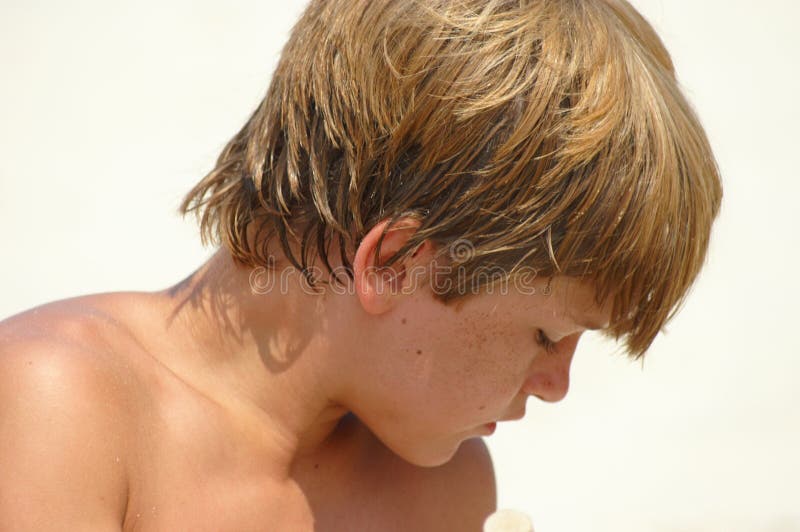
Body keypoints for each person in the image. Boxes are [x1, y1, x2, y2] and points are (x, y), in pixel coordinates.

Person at [0, 0, 722, 530]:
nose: (557, 385)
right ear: (397, 263)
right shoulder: (61, 410)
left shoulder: (435, 487)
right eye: (545, 336)